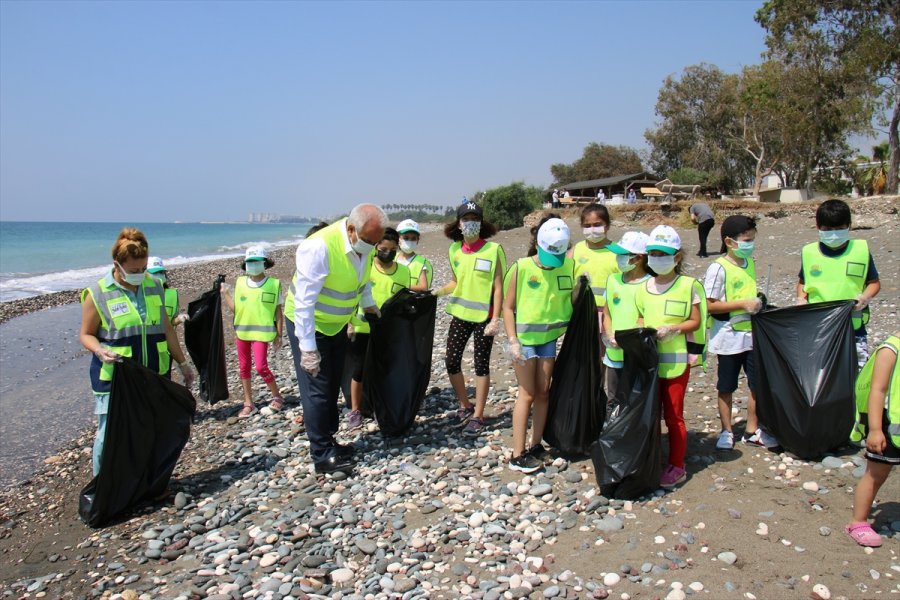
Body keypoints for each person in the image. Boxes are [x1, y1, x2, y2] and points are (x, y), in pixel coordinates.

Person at [79, 228, 195, 476]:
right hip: (115, 378)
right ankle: (104, 489)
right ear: (117, 265)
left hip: (153, 372)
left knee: (154, 429)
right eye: (134, 271)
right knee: (110, 434)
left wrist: (183, 364)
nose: (140, 275)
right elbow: (85, 334)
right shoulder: (97, 293)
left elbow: (167, 328)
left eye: (143, 269)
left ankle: (148, 484)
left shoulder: (153, 285)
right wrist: (100, 350)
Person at [293, 204, 387, 474]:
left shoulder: (363, 245)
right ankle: (321, 454)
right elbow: (303, 303)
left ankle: (330, 440)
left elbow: (363, 280)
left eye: (376, 241)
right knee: (318, 390)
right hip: (311, 325)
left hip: (337, 326)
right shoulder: (319, 247)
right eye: (369, 241)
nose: (373, 247)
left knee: (333, 383)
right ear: (350, 229)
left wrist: (368, 304)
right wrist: (307, 348)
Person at [503, 217, 576, 473]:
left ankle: (536, 445)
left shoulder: (568, 266)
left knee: (544, 392)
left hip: (549, 341)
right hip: (524, 342)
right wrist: (512, 340)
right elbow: (508, 306)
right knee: (527, 393)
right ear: (538, 244)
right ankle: (517, 453)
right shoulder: (521, 267)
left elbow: (569, 299)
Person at [635, 225, 703, 489]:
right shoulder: (644, 287)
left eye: (663, 253)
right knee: (650, 413)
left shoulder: (688, 286)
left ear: (676, 256)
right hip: (650, 363)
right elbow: (640, 316)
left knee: (674, 415)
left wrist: (674, 328)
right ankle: (652, 458)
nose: (657, 258)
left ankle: (677, 464)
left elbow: (696, 321)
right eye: (652, 253)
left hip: (676, 362)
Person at [433, 200, 506, 437]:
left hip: (484, 318)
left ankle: (479, 415)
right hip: (460, 315)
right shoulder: (454, 249)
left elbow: (498, 287)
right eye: (466, 220)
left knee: (481, 365)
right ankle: (465, 405)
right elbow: (455, 281)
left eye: (475, 220)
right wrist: (434, 293)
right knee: (451, 361)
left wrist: (496, 318)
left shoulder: (494, 250)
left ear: (481, 223)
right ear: (459, 224)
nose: (471, 223)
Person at [704, 216, 777, 450]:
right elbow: (709, 305)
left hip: (751, 335)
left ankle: (751, 430)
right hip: (727, 337)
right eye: (747, 240)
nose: (750, 244)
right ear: (729, 241)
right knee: (726, 385)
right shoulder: (718, 268)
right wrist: (742, 304)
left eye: (753, 240)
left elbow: (749, 293)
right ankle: (726, 431)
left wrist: (758, 301)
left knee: (756, 384)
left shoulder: (750, 263)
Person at [797, 199, 881, 367]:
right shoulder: (809, 253)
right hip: (819, 328)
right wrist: (801, 298)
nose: (834, 234)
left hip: (853, 328)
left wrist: (864, 298)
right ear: (818, 227)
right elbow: (802, 283)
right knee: (822, 374)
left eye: (839, 228)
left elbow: (874, 283)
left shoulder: (860, 252)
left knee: (856, 376)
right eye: (828, 229)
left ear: (849, 226)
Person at [346, 227, 410, 429]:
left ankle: (382, 406)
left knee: (386, 370)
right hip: (362, 327)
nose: (387, 253)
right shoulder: (365, 268)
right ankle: (355, 410)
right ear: (375, 247)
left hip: (389, 331)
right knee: (359, 371)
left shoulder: (404, 272)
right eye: (383, 248)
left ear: (397, 249)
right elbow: (351, 298)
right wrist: (349, 323)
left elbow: (404, 301)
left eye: (391, 249)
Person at [846, 331, 899, 547]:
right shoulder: (891, 349)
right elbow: (877, 390)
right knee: (876, 474)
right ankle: (858, 522)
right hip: (889, 424)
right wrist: (875, 429)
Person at [221, 246, 284, 417]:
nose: (252, 265)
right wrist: (225, 293)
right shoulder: (241, 283)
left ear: (265, 263)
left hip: (262, 334)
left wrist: (279, 334)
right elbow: (237, 309)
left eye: (256, 262)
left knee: (261, 366)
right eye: (249, 262)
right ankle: (248, 403)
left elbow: (278, 312)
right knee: (243, 367)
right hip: (242, 332)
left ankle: (277, 396)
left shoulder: (273, 284)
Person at [284, 221, 329, 422]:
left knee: (322, 377)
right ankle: (314, 421)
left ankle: (319, 419)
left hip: (323, 322)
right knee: (312, 377)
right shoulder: (310, 264)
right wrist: (308, 348)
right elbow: (303, 306)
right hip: (302, 322)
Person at [602, 231, 651, 401]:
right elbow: (607, 312)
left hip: (637, 355)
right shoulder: (613, 279)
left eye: (622, 255)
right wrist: (609, 335)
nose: (618, 258)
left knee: (636, 400)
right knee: (614, 397)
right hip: (614, 353)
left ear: (638, 258)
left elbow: (650, 318)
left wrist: (630, 338)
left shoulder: (651, 283)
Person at [569, 204, 619, 350]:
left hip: (610, 314)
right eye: (587, 225)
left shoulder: (618, 251)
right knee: (586, 357)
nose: (592, 229)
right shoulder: (576, 250)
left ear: (607, 225)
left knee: (607, 355)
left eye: (597, 225)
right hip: (582, 313)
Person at [146, 257, 187, 327]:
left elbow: (171, 322)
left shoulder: (172, 295)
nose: (159, 275)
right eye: (155, 273)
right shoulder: (140, 295)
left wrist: (179, 319)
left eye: (161, 272)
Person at [396, 219, 433, 292]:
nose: (409, 241)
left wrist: (400, 285)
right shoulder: (393, 258)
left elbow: (424, 287)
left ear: (417, 240)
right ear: (398, 238)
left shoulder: (421, 263)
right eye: (406, 238)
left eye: (413, 238)